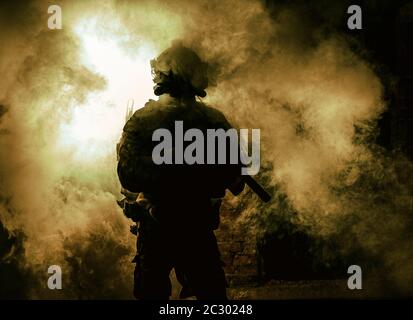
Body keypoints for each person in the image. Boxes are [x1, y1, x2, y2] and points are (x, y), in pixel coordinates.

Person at [117, 42, 245, 300]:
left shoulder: (142, 120)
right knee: (211, 297)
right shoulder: (212, 120)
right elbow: (236, 179)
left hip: (158, 226)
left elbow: (128, 177)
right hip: (194, 226)